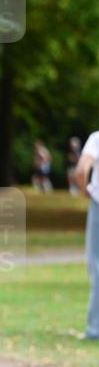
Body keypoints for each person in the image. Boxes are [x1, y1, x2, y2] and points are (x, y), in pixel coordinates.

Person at [75, 130, 99, 341]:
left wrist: (84, 191)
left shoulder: (97, 138)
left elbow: (82, 170)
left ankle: (95, 329)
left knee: (97, 266)